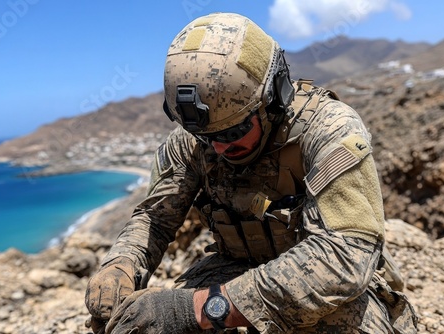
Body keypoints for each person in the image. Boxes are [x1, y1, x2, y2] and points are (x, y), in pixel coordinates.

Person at [85, 12, 418, 334]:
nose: (218, 148)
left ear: (273, 98)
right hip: (233, 269)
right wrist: (121, 265)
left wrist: (197, 309)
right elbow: (155, 219)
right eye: (206, 138)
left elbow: (344, 259)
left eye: (233, 133)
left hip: (326, 289)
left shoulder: (330, 130)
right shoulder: (194, 141)